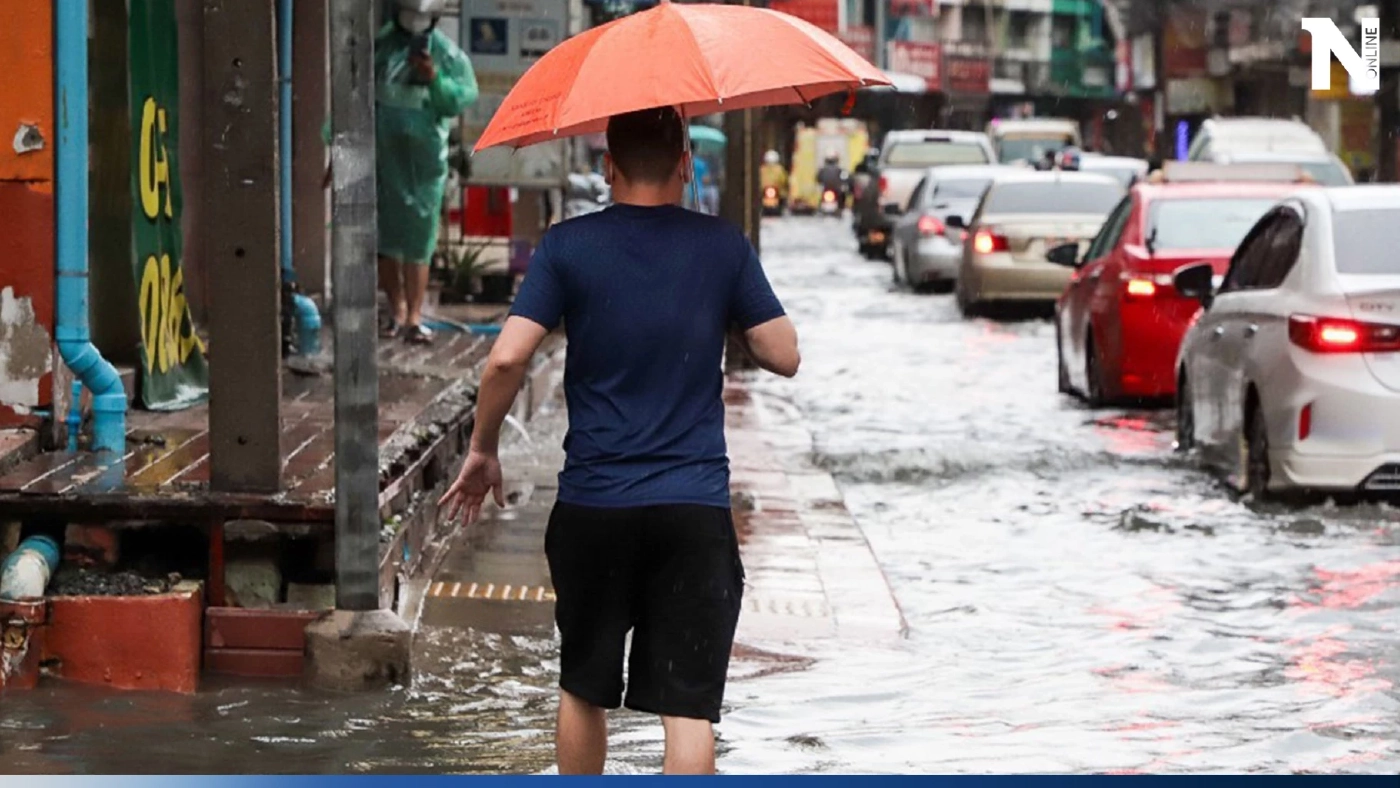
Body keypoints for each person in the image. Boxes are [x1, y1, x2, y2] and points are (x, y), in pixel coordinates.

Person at [439, 106, 800, 775]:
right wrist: (721, 297)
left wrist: (484, 448)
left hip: (593, 508)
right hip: (692, 511)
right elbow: (784, 354)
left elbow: (506, 360)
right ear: (687, 164)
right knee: (688, 711)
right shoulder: (722, 245)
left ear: (608, 167)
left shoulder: (567, 247)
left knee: (583, 688)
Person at [376, 0, 478, 344]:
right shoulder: (381, 48)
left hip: (425, 163)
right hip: (384, 156)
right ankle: (397, 310)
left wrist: (434, 78)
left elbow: (460, 98)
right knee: (386, 237)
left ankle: (414, 317)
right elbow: (354, 95)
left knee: (419, 238)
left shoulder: (447, 55)